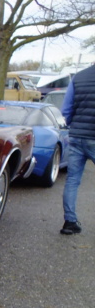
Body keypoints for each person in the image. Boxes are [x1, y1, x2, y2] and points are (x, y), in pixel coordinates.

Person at [60, 63, 95, 235]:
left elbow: (66, 109)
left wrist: (73, 125)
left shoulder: (78, 77)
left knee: (72, 180)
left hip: (76, 137)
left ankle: (69, 222)